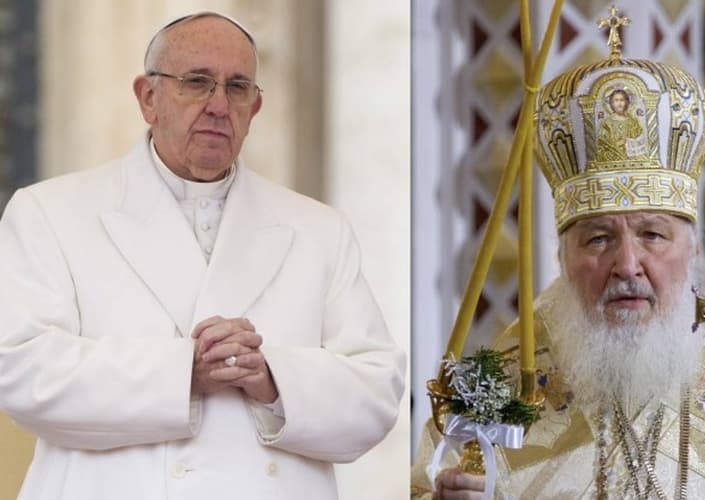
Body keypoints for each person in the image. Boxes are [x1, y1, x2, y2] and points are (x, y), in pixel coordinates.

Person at [412, 17, 705, 500]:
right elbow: (422, 488)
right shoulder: (498, 397)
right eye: (597, 239)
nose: (628, 265)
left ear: (693, 250)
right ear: (562, 254)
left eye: (653, 235)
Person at [0, 12, 404, 500]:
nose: (218, 105)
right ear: (148, 98)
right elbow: (22, 371)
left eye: (237, 88)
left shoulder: (319, 230)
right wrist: (184, 371)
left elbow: (376, 393)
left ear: (255, 108)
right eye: (196, 83)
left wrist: (272, 378)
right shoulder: (50, 213)